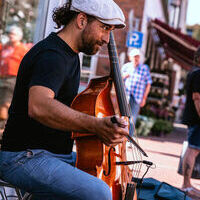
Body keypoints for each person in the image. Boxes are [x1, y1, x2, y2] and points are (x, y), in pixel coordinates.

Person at [0, 0, 129, 200]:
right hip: (23, 157)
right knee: (100, 193)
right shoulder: (53, 55)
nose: (106, 39)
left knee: (112, 180)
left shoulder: (69, 55)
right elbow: (39, 106)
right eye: (104, 28)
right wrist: (96, 125)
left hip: (50, 155)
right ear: (81, 20)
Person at [0, 25, 29, 130]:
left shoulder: (22, 49)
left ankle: (3, 128)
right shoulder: (5, 46)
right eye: (10, 34)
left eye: (13, 34)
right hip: (2, 77)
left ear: (19, 36)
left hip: (12, 79)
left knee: (6, 103)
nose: (10, 36)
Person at [182, 46, 200, 198]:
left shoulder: (194, 72)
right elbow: (197, 97)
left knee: (193, 149)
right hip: (197, 119)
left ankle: (187, 185)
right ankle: (186, 185)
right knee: (193, 150)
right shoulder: (198, 74)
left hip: (194, 118)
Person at [121, 48, 152, 136]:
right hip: (125, 96)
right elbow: (118, 79)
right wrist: (124, 76)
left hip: (137, 97)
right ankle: (121, 138)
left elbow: (148, 84)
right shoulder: (126, 66)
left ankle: (129, 139)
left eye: (138, 57)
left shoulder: (144, 68)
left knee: (132, 120)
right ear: (130, 57)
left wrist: (144, 98)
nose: (136, 58)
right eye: (134, 57)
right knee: (123, 117)